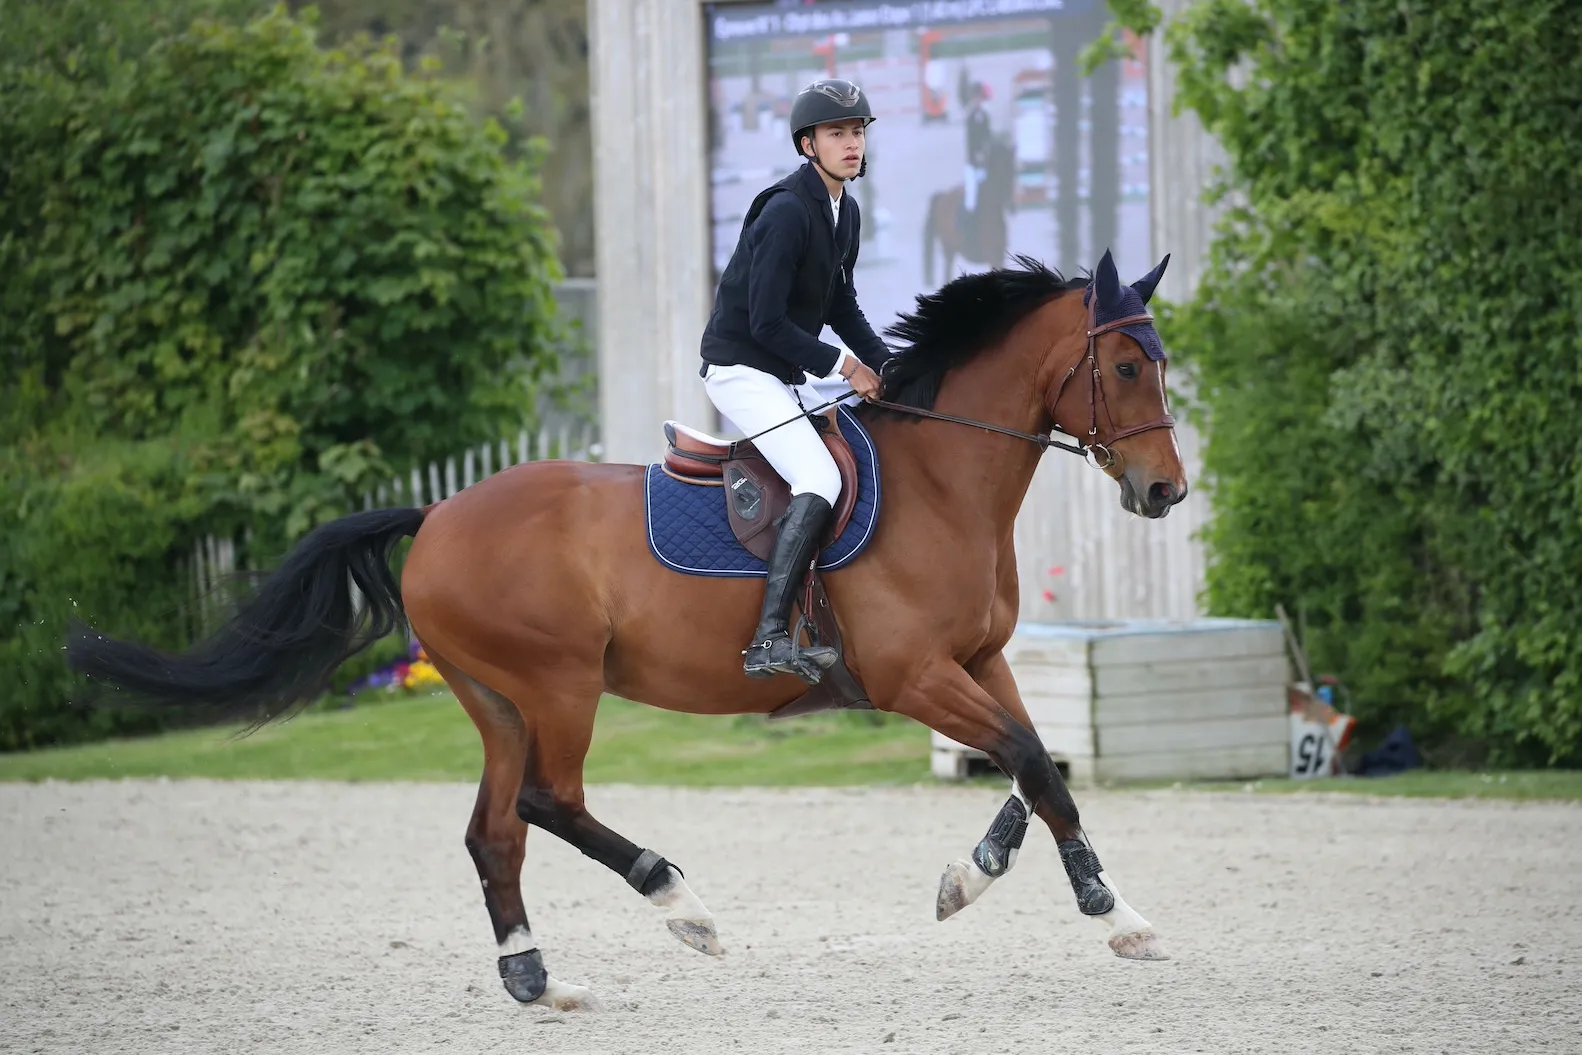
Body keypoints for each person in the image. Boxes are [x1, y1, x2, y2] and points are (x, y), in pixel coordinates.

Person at [698, 77, 891, 684]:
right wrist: (844, 367)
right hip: (740, 369)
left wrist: (889, 367)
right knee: (819, 474)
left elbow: (842, 307)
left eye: (857, 132)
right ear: (808, 145)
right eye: (838, 133)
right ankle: (769, 637)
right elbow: (767, 322)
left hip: (783, 372)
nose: (851, 144)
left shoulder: (845, 211)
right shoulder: (785, 211)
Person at [962, 80, 992, 238]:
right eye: (976, 98)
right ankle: (970, 228)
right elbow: (970, 142)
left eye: (980, 97)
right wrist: (976, 157)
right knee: (971, 198)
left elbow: (988, 138)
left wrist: (986, 156)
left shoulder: (986, 117)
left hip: (985, 164)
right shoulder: (970, 118)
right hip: (973, 164)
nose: (978, 100)